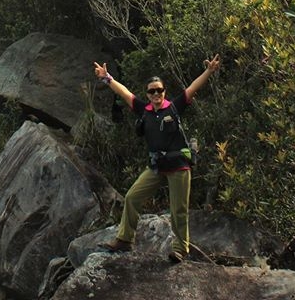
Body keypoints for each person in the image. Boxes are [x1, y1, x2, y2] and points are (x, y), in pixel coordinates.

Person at [93, 55, 221, 262]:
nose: (156, 94)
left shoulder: (174, 106)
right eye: (152, 91)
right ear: (147, 94)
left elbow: (192, 88)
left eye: (159, 90)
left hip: (179, 166)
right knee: (132, 197)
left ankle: (180, 249)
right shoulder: (144, 110)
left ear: (164, 92)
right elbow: (124, 92)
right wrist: (106, 78)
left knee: (178, 210)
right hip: (157, 166)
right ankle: (124, 239)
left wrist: (209, 71)